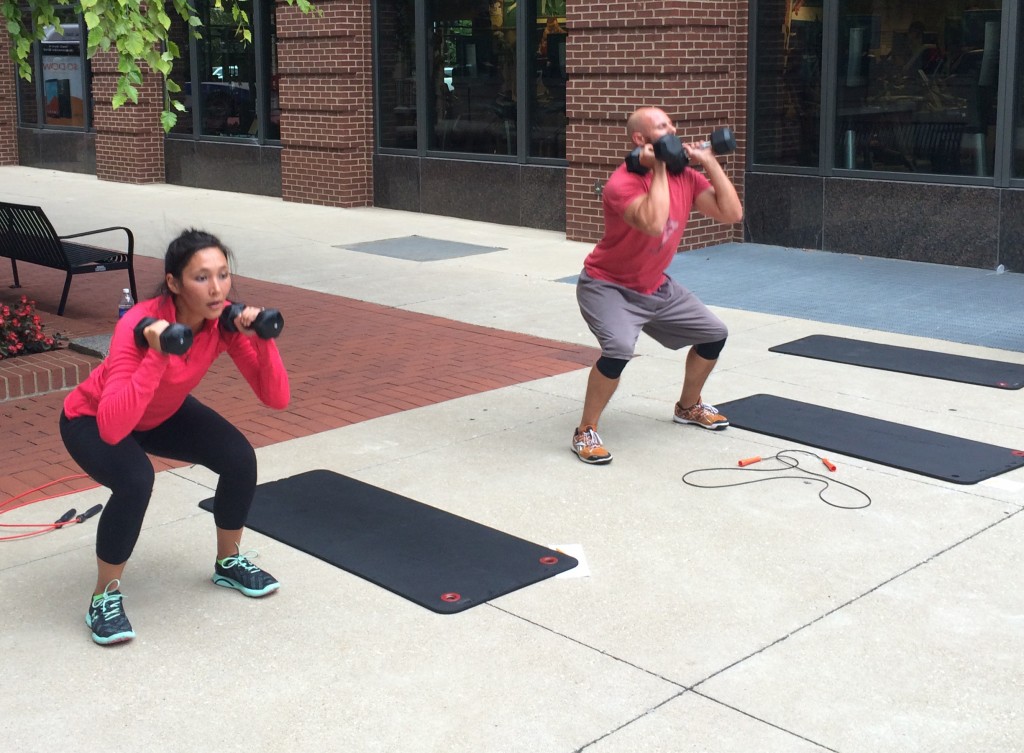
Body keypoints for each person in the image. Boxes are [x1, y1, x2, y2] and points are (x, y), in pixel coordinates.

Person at [60, 229, 291, 644]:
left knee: (239, 458)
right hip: (92, 417)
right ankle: (103, 597)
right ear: (174, 283)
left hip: (160, 413)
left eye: (223, 275)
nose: (217, 288)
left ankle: (228, 561)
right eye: (202, 278)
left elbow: (276, 398)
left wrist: (264, 340)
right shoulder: (138, 323)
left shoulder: (221, 324)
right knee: (135, 480)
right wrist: (158, 352)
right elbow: (113, 427)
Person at [572, 106, 743, 464]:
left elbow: (731, 215)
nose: (673, 129)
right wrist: (661, 166)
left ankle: (688, 406)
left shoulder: (685, 176)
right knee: (618, 349)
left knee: (714, 333)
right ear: (640, 139)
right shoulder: (622, 182)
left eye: (671, 123)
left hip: (655, 286)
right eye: (662, 126)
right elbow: (653, 222)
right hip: (608, 286)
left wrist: (709, 162)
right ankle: (586, 430)